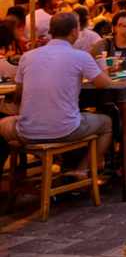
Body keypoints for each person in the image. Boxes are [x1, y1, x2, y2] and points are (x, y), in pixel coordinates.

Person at [0, 13, 114, 180]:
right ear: (75, 31)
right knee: (107, 123)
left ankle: (39, 166)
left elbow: (19, 94)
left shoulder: (28, 56)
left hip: (27, 131)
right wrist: (102, 64)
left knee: (3, 124)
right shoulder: (80, 56)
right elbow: (105, 84)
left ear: (51, 31)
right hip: (66, 129)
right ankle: (82, 170)